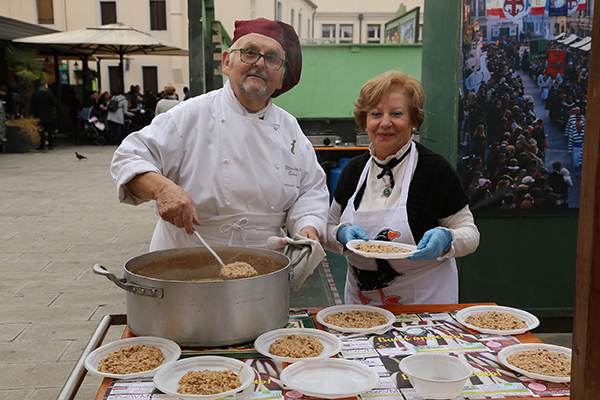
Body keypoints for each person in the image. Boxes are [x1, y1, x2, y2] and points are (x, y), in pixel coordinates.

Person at [110, 18, 329, 252]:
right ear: (227, 62)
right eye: (250, 53)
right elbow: (128, 158)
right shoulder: (190, 114)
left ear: (282, 78)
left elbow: (310, 190)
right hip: (188, 256)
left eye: (272, 58)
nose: (260, 63)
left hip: (267, 264)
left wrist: (308, 226)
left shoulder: (289, 128)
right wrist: (162, 189)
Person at [324, 70, 480, 306]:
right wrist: (340, 235)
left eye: (396, 113)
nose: (385, 123)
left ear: (414, 121)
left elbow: (470, 234)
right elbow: (328, 228)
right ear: (365, 120)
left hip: (426, 306)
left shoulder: (435, 170)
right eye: (376, 114)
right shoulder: (353, 171)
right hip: (362, 309)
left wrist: (448, 239)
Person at [30, 81, 58, 150]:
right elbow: (54, 104)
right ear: (45, 85)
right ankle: (51, 144)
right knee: (50, 131)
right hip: (49, 115)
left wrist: (32, 115)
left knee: (41, 131)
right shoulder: (49, 94)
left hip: (39, 115)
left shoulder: (35, 94)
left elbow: (32, 106)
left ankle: (42, 144)